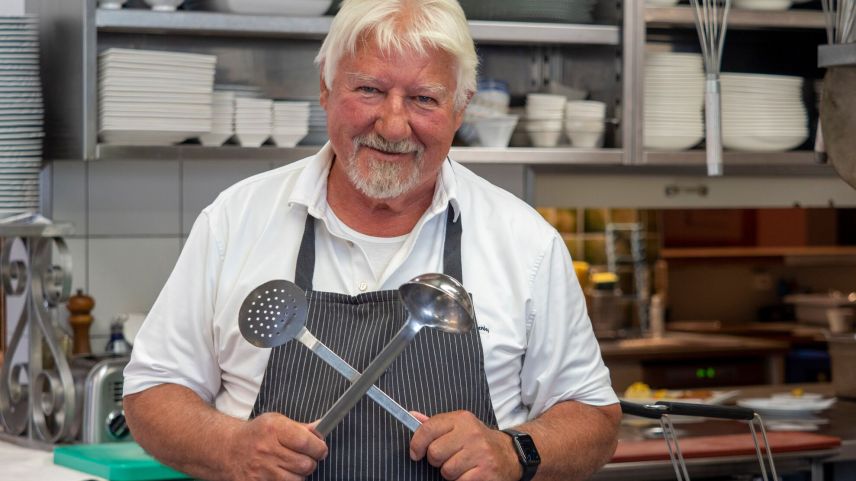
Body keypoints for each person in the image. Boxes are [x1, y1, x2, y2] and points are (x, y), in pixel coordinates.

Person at [123, 0, 621, 480]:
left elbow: (594, 418)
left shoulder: (525, 241)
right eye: (368, 90)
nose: (392, 124)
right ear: (325, 88)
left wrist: (513, 452)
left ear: (461, 107)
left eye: (424, 98)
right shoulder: (236, 221)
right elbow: (152, 392)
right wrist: (229, 448)